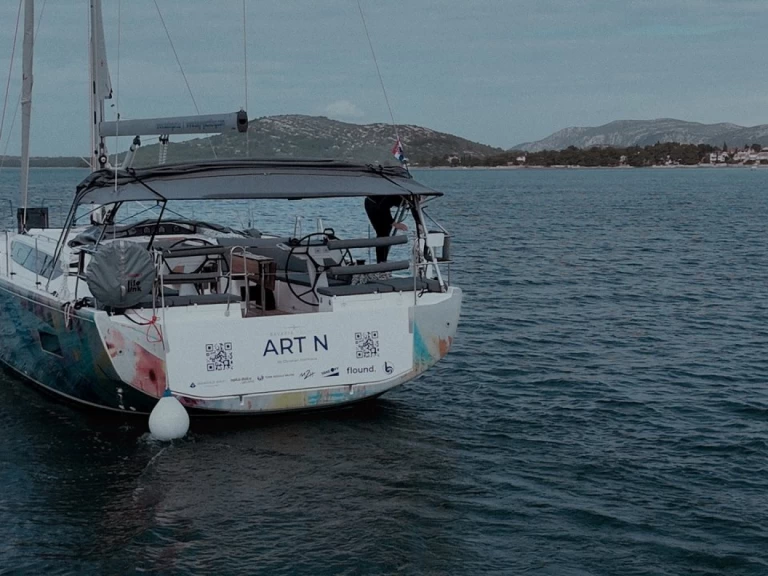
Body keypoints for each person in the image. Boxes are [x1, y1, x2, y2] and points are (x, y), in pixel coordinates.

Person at [364, 195, 408, 263]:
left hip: (381, 204)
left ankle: (383, 261)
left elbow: (415, 210)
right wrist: (394, 223)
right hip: (373, 203)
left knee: (386, 230)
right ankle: (381, 263)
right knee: (382, 231)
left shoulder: (413, 198)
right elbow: (383, 206)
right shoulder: (396, 195)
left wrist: (419, 224)